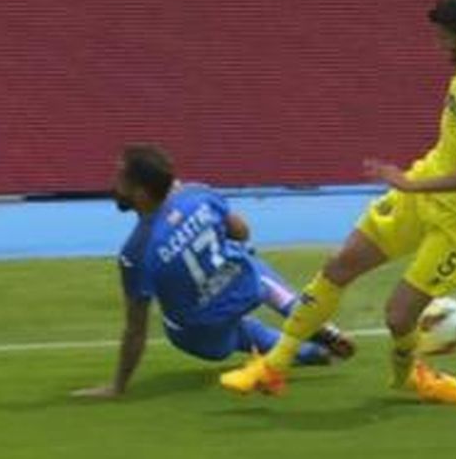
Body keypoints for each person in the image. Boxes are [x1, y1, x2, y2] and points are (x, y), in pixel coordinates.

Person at [221, 0, 456, 405]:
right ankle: (273, 366)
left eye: (444, 38)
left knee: (399, 315)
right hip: (425, 186)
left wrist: (409, 184)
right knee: (339, 265)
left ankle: (412, 378)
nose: (438, 45)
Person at [73, 145, 354, 399]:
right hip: (243, 287)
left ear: (142, 193)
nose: (114, 185)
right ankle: (311, 322)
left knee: (218, 329)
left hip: (203, 335)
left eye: (121, 180)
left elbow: (136, 330)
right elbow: (242, 232)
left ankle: (307, 353)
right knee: (249, 263)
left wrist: (117, 386)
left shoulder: (135, 254)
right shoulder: (197, 194)